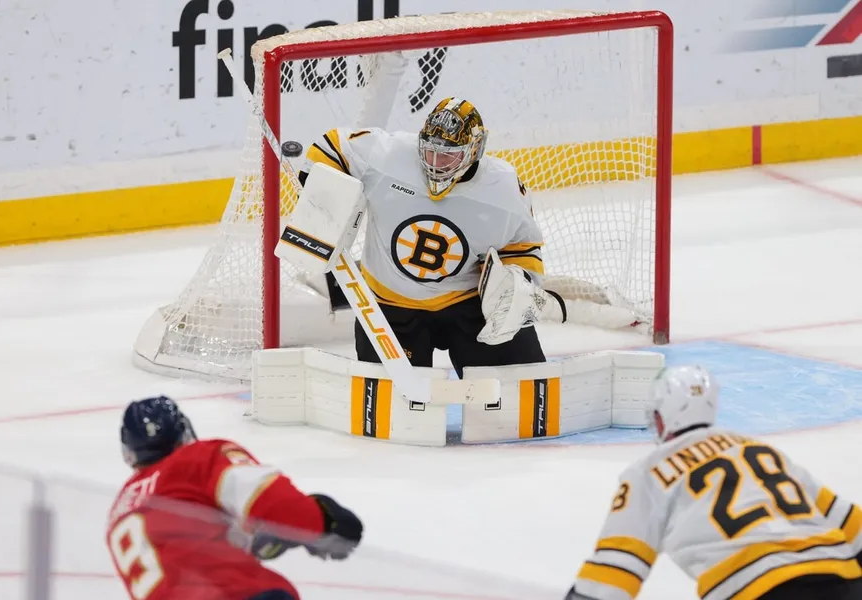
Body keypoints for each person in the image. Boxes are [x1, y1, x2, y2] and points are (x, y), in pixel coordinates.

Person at [298, 96, 585, 378]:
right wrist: (319, 193)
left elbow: (522, 246)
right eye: (429, 151)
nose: (435, 162)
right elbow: (332, 147)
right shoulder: (387, 155)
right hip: (389, 304)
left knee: (517, 392)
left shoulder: (504, 189)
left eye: (449, 154)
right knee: (392, 406)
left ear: (474, 150)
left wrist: (515, 288)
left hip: (469, 304)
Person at [565, 366, 862, 600]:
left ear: (662, 417)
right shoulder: (760, 450)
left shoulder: (648, 472)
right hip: (843, 576)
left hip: (757, 589)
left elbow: (612, 575)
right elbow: (853, 524)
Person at [105, 396, 363, 600]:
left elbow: (186, 551)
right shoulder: (194, 459)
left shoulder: (120, 510)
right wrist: (323, 520)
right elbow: (273, 502)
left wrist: (252, 539)